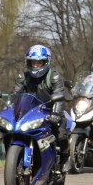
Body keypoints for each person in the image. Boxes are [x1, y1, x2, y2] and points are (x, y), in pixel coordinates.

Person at [12, 44, 68, 172]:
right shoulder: (24, 77)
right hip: (30, 114)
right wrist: (8, 108)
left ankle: (64, 161)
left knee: (61, 136)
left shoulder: (54, 77)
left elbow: (59, 95)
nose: (36, 65)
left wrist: (56, 114)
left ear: (46, 61)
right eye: (33, 62)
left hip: (50, 113)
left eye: (39, 62)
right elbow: (14, 94)